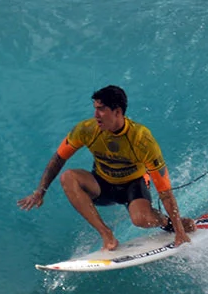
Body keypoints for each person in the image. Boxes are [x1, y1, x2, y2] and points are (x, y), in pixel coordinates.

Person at [18, 85, 195, 250]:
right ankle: (106, 234)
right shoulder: (86, 129)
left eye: (101, 109)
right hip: (102, 184)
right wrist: (41, 191)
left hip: (133, 185)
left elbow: (164, 191)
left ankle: (167, 223)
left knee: (142, 220)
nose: (96, 115)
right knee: (68, 177)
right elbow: (58, 159)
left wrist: (179, 231)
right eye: (95, 108)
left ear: (117, 112)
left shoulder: (141, 139)